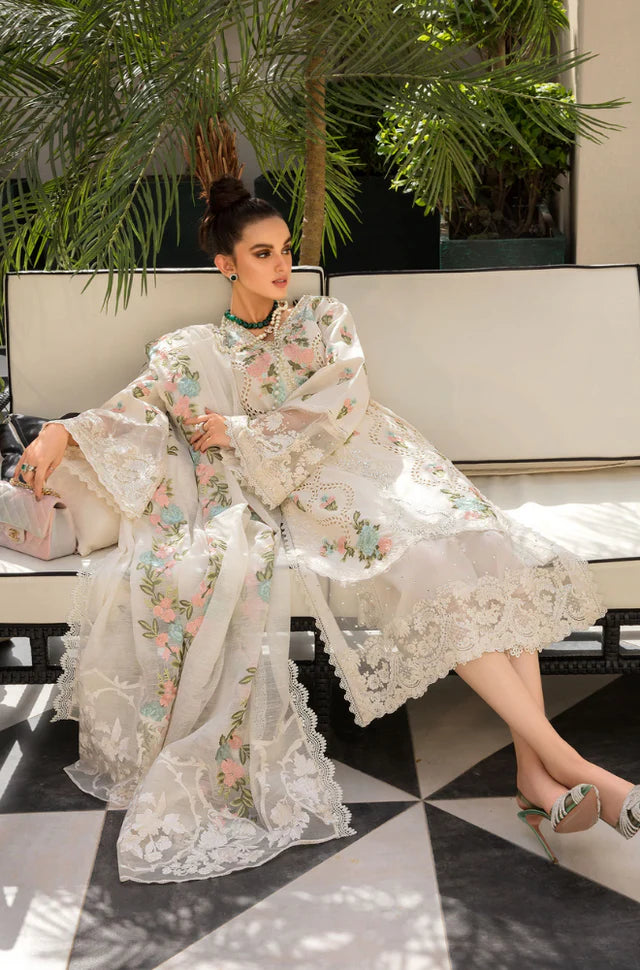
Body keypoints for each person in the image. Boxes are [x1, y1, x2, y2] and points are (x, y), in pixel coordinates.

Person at [15, 175, 639, 882]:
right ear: (226, 265)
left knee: (486, 546)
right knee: (431, 567)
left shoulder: (323, 317)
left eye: (284, 249)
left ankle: (539, 773)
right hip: (318, 491)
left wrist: (240, 429)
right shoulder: (191, 351)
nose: (282, 264)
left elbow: (347, 396)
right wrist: (61, 432)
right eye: (262, 253)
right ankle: (568, 766)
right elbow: (135, 408)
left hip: (387, 462)